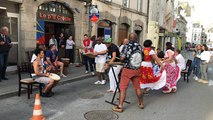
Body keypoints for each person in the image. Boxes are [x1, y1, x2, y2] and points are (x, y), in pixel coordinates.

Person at [112, 33, 143, 113]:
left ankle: (120, 106)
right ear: (136, 38)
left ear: (129, 38)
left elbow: (122, 58)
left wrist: (121, 59)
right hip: (137, 69)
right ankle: (141, 103)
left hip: (128, 70)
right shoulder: (140, 46)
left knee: (123, 88)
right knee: (137, 87)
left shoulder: (127, 46)